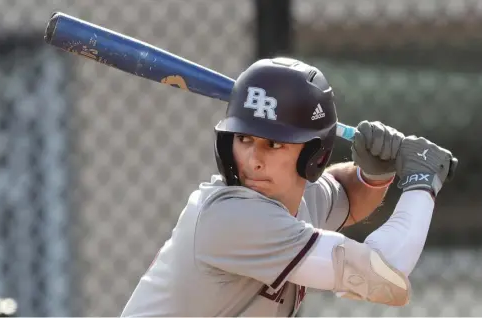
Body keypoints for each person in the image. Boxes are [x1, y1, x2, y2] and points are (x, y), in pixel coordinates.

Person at [121, 57, 457, 317]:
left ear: (314, 155)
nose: (253, 160)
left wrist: (373, 175)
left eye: (274, 144)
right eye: (244, 139)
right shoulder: (232, 218)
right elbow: (385, 273)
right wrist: (420, 183)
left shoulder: (290, 199)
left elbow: (344, 195)